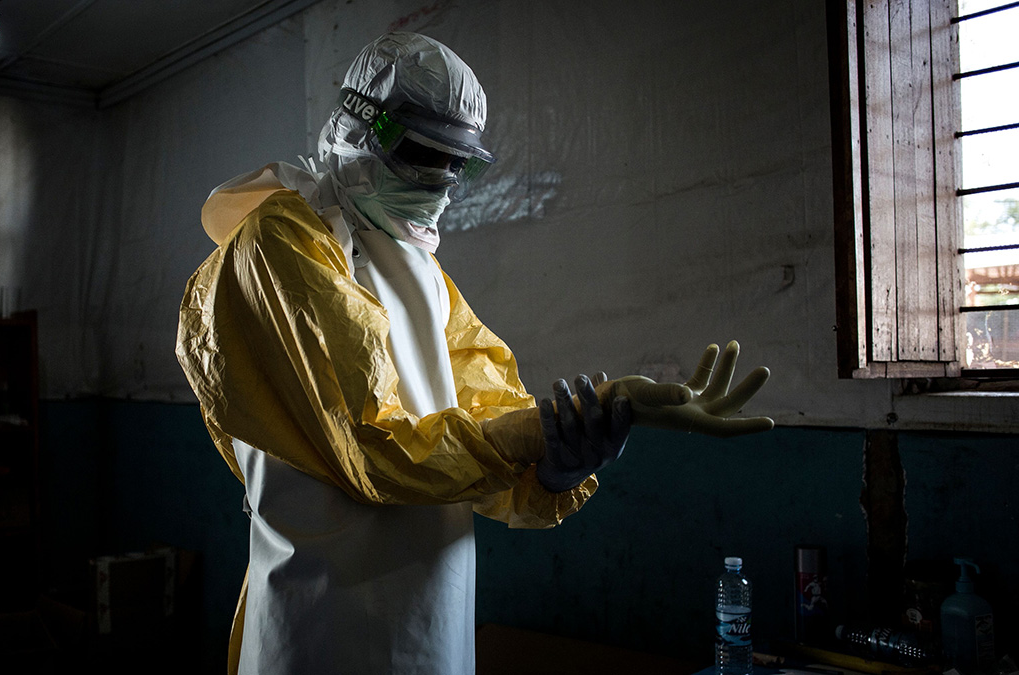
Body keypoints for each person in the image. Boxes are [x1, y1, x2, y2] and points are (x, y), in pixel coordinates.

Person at [176, 31, 773, 675]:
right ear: (361, 130)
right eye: (425, 157)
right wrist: (542, 428)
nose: (444, 183)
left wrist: (560, 464)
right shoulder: (283, 241)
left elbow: (488, 446)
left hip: (436, 628)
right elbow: (375, 451)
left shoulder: (425, 277)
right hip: (324, 628)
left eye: (460, 163)